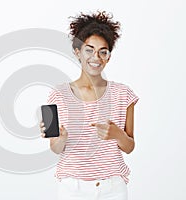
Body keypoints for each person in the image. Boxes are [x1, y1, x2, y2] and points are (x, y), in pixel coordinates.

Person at [40, 11, 139, 200]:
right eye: (89, 50)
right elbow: (56, 148)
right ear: (78, 52)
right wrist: (61, 138)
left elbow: (129, 146)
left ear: (108, 56)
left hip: (113, 188)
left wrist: (117, 134)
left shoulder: (123, 94)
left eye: (103, 51)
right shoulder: (58, 95)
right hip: (72, 189)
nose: (96, 57)